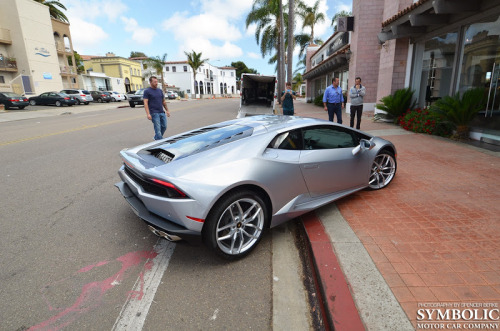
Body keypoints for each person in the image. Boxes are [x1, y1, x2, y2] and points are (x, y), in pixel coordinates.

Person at [144, 76, 170, 140]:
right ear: (150, 82)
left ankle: (156, 137)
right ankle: (160, 141)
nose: (156, 83)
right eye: (155, 82)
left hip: (161, 112)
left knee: (164, 126)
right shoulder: (147, 91)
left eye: (157, 81)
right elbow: (145, 103)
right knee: (157, 129)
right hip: (154, 113)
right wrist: (148, 114)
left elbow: (163, 101)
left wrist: (167, 110)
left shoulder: (159, 91)